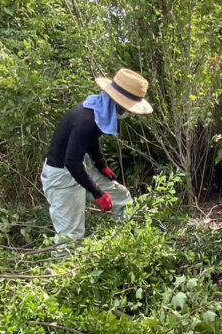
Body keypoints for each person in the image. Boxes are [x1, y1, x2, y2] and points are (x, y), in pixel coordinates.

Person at [40, 68, 152, 245]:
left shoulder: (99, 110)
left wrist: (101, 164)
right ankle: (64, 269)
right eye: (130, 107)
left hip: (80, 166)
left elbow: (90, 140)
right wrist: (97, 192)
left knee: (122, 199)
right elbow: (71, 161)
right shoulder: (87, 119)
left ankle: (134, 245)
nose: (129, 112)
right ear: (119, 102)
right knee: (71, 237)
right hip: (62, 175)